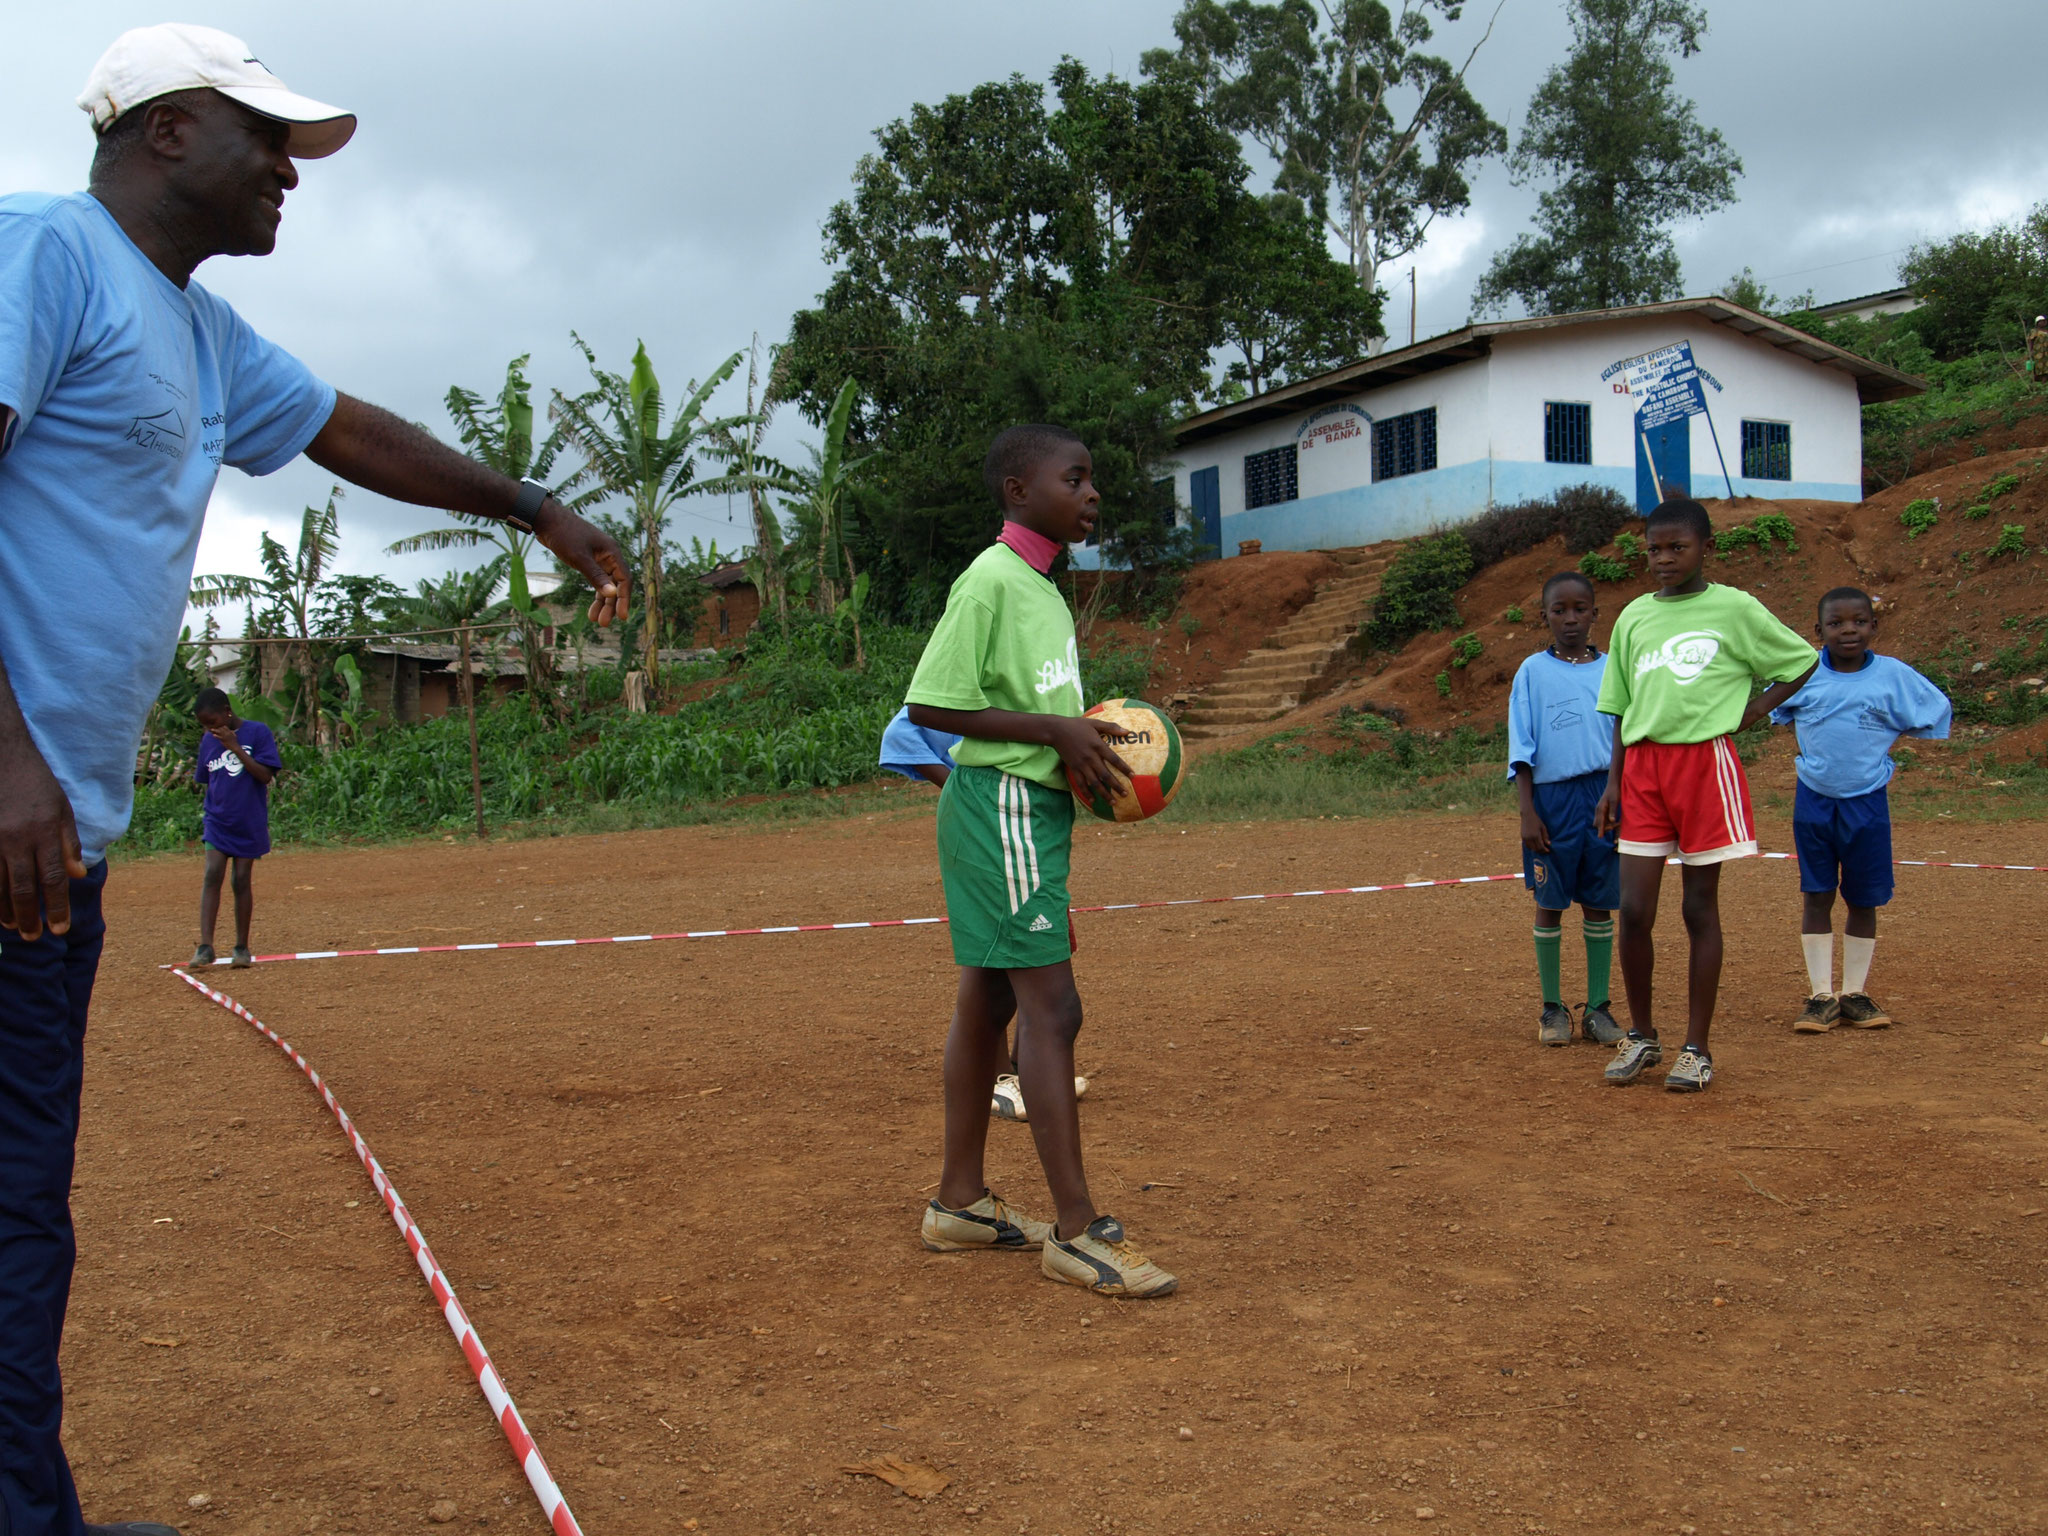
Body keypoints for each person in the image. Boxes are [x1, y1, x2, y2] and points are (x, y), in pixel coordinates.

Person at [0, 27, 630, 1536]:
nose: (290, 171)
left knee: (21, 1212)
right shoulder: (46, 257)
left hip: (53, 850)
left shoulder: (201, 334)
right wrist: (4, 756)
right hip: (7, 816)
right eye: (262, 137)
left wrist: (531, 502)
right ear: (163, 134)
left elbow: (351, 431)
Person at [903, 424, 1175, 1297]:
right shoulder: (990, 580)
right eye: (1076, 478)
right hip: (1004, 811)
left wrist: (1081, 751)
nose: (1093, 492)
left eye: (1095, 479)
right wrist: (1055, 733)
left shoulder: (1045, 588)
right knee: (1053, 1011)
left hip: (1028, 811)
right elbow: (932, 705)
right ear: (1019, 490)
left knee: (989, 999)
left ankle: (959, 1203)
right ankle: (1077, 1231)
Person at [1592, 500, 1817, 1093]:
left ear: (1704, 548)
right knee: (1635, 910)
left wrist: (1759, 708)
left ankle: (1696, 1047)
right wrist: (1612, 783)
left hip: (1703, 766)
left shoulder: (1734, 607)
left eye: (1677, 548)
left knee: (1698, 908)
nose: (1663, 559)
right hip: (1641, 769)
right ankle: (1641, 1036)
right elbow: (1618, 706)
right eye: (1654, 549)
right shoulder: (1633, 617)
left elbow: (1801, 660)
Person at [878, 706, 1091, 1121]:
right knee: (1002, 956)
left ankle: (1025, 1070)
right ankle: (1000, 1082)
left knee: (1032, 953)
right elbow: (898, 737)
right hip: (990, 821)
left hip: (1028, 821)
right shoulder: (956, 694)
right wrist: (960, 787)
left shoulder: (1034, 684)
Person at [1768, 588, 1951, 1032]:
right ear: (1818, 631)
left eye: (1858, 622)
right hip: (1813, 800)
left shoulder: (1893, 676)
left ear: (1873, 626)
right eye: (1836, 623)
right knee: (1817, 893)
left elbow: (1934, 711)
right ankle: (1819, 996)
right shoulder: (1803, 673)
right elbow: (1771, 706)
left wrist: (1887, 739)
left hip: (1868, 802)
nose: (1848, 630)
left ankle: (1854, 992)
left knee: (1863, 897)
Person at [1507, 572, 1622, 1047]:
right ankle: (1552, 1008)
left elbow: (1624, 735)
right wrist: (1527, 812)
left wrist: (1617, 791)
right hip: (1551, 801)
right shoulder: (1532, 671)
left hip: (1603, 795)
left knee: (1599, 900)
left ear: (1595, 614)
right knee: (1549, 902)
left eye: (1580, 609)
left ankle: (1598, 1007)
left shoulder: (1614, 668)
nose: (1570, 619)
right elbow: (1522, 744)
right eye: (1559, 610)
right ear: (1545, 616)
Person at [190, 688, 281, 968]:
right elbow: (207, 780)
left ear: (227, 712)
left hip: (248, 821)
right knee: (212, 873)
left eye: (213, 721)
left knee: (240, 880)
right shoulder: (208, 741)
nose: (210, 728)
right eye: (205, 724)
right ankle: (205, 947)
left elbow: (265, 776)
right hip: (217, 820)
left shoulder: (258, 733)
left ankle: (241, 947)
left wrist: (235, 747)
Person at [2027, 315, 2048, 385]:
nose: (2044, 322)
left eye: (2045, 321)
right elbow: (2031, 341)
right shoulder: (2034, 331)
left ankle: (2044, 383)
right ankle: (2035, 384)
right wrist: (2030, 351)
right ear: (2037, 323)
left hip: (2046, 353)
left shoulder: (2046, 331)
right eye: (2042, 321)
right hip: (2038, 353)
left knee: (2046, 369)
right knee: (2038, 369)